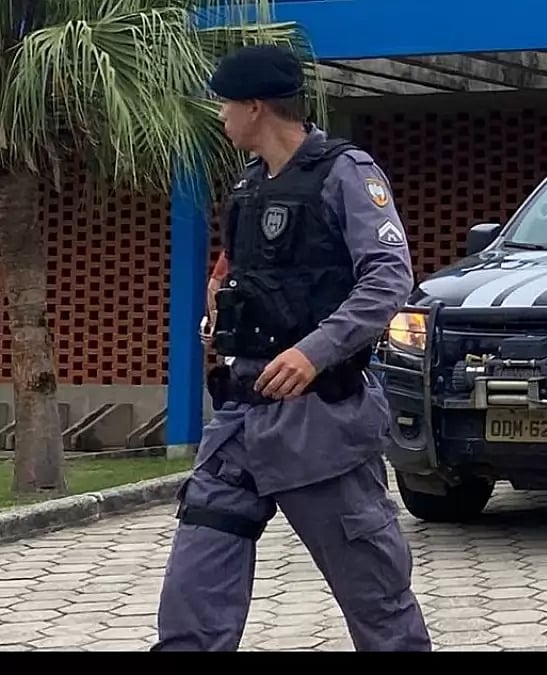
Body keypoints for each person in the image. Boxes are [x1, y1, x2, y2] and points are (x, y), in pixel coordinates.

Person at [153, 44, 432, 652]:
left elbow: (388, 277)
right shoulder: (250, 185)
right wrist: (220, 314)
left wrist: (315, 351)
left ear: (256, 106)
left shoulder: (345, 173)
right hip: (238, 420)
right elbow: (240, 274)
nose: (219, 114)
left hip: (319, 425)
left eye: (225, 102)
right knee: (194, 588)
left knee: (376, 599)